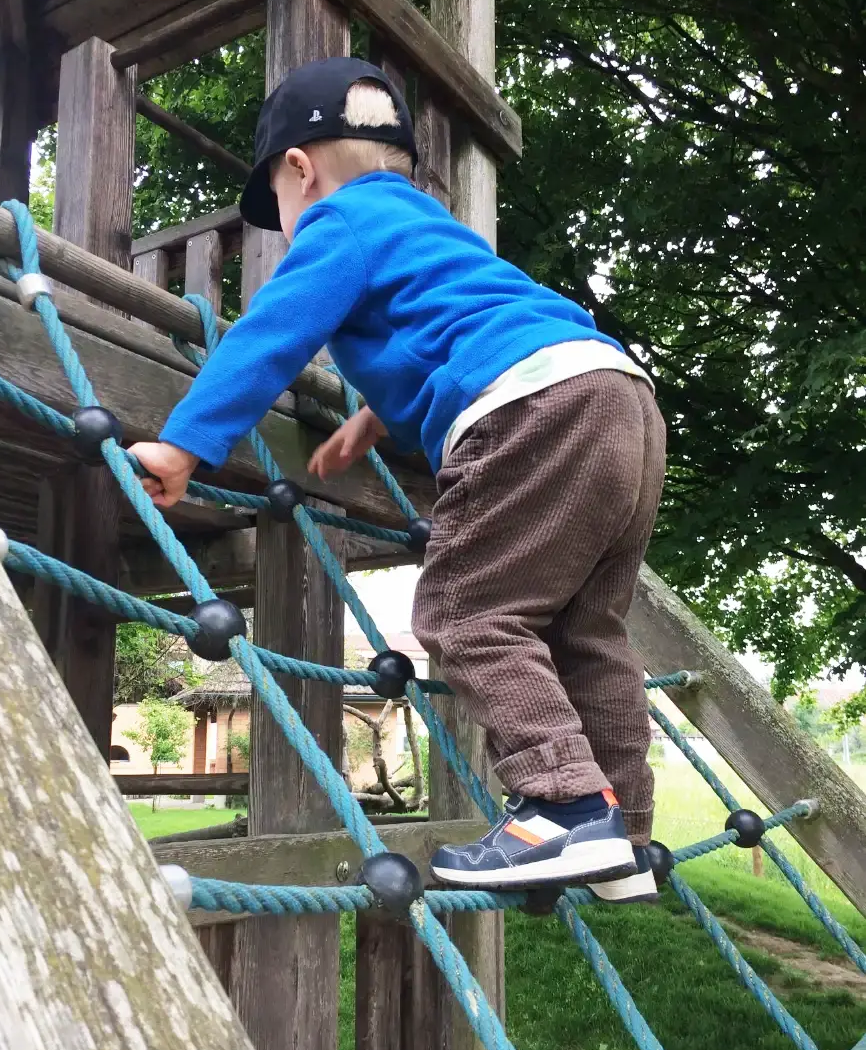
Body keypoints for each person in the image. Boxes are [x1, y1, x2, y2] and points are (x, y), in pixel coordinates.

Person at [127, 55, 666, 898]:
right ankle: (623, 834)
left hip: (530, 407)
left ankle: (562, 803)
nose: (289, 229)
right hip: (619, 398)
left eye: (280, 207)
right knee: (587, 633)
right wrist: (374, 417)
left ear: (301, 170)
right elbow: (447, 329)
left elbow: (271, 333)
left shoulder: (338, 221)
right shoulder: (429, 228)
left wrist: (183, 446)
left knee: (469, 613)